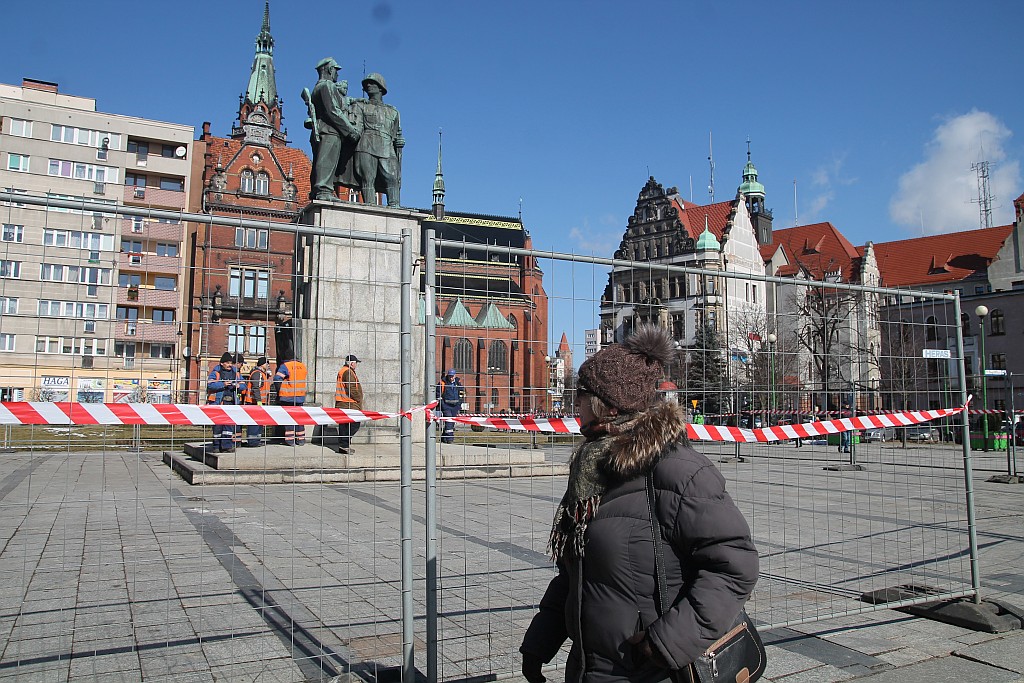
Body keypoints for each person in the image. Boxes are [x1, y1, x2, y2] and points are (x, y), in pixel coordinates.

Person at [519, 325, 759, 683]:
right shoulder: (592, 471)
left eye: (581, 395)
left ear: (607, 405)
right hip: (591, 669)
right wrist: (540, 643)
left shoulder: (678, 471)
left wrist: (665, 643)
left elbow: (734, 567)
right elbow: (577, 574)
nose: (575, 404)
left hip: (652, 670)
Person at [308, 57, 361, 202]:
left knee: (321, 159)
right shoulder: (327, 86)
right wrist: (350, 130)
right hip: (329, 130)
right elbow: (333, 111)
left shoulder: (317, 87)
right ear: (329, 69)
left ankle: (319, 190)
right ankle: (323, 190)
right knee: (327, 160)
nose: (337, 74)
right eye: (336, 70)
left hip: (321, 129)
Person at [350, 73, 404, 207]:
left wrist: (399, 142)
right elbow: (355, 127)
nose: (368, 86)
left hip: (386, 145)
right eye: (366, 84)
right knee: (368, 178)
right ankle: (370, 207)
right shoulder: (360, 106)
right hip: (366, 145)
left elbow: (396, 133)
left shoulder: (393, 112)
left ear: (381, 88)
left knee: (393, 177)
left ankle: (394, 205)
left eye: (372, 83)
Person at [207, 352, 241, 453]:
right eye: (227, 362)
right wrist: (223, 384)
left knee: (229, 425)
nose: (230, 364)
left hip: (231, 402)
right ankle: (216, 446)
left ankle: (227, 445)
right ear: (222, 363)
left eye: (230, 362)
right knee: (218, 425)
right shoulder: (216, 373)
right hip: (219, 403)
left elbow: (244, 385)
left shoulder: (236, 373)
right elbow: (210, 385)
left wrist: (237, 386)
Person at [274, 355, 309, 446]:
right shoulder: (303, 366)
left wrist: (279, 391)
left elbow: (277, 379)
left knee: (289, 418)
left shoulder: (286, 365)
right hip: (300, 396)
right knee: (299, 418)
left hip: (287, 396)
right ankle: (300, 439)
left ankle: (290, 440)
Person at [334, 354, 364, 453]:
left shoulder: (343, 371)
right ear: (352, 363)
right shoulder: (348, 372)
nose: (356, 365)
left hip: (342, 402)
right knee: (355, 424)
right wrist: (358, 398)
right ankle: (344, 444)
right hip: (349, 403)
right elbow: (351, 388)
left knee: (344, 425)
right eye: (356, 363)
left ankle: (343, 446)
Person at [240, 356, 271, 447]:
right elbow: (256, 388)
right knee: (254, 423)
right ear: (262, 364)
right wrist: (259, 401)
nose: (268, 365)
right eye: (267, 363)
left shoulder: (262, 374)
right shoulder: (257, 373)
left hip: (258, 402)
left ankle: (256, 440)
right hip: (254, 402)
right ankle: (253, 441)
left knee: (259, 422)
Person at [436, 368, 465, 444]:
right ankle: (450, 438)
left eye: (452, 376)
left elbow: (461, 394)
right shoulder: (443, 383)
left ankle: (444, 438)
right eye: (450, 376)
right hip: (446, 406)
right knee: (449, 421)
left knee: (452, 422)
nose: (451, 378)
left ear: (455, 376)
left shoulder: (457, 383)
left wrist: (459, 403)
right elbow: (438, 395)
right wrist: (443, 405)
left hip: (455, 406)